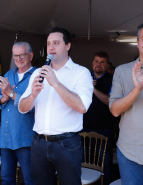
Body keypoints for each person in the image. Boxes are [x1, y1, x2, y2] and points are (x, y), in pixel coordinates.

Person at [19, 27, 93, 185]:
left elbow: (82, 107)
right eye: (48, 44)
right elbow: (23, 108)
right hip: (39, 143)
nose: (51, 47)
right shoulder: (37, 73)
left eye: (56, 43)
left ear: (68, 46)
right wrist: (33, 95)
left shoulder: (81, 73)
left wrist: (56, 83)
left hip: (67, 144)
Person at [109, 20, 143, 185]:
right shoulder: (122, 71)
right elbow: (114, 110)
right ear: (137, 43)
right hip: (129, 151)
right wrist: (136, 89)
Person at [0, 42, 36, 185]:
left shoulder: (37, 76)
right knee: (7, 179)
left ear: (30, 56)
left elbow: (36, 106)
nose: (18, 58)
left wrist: (11, 93)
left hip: (26, 139)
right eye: (15, 55)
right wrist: (2, 99)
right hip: (6, 137)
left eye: (22, 55)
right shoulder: (8, 74)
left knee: (30, 180)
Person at [83, 51, 118, 185]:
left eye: (102, 62)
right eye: (96, 61)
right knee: (84, 163)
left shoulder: (112, 79)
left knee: (105, 165)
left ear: (107, 64)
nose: (99, 65)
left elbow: (111, 102)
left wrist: (93, 90)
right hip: (84, 128)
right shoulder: (84, 77)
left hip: (105, 129)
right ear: (92, 63)